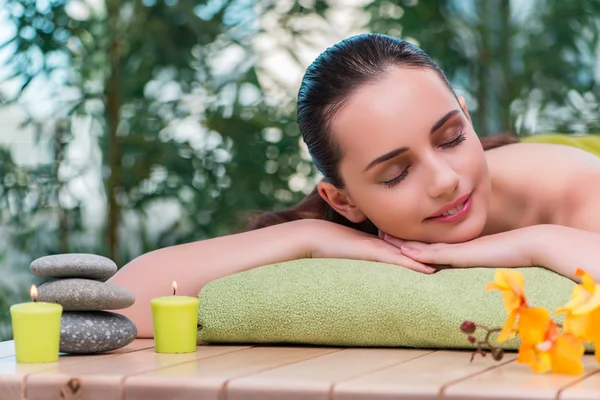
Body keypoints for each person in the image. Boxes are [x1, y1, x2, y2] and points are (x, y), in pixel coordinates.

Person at [108, 33, 600, 338]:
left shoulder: (572, 187)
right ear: (341, 200)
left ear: (467, 118)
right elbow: (120, 303)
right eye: (396, 174)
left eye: (451, 138)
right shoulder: (338, 220)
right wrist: (310, 237)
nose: (446, 181)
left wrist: (535, 242)